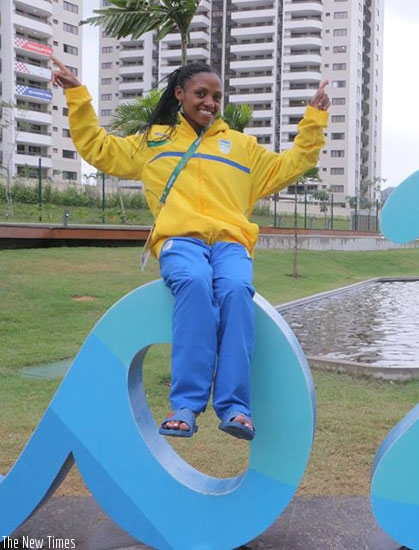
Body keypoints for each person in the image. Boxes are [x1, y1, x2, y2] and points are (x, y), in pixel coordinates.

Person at [52, 57, 330, 440]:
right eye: (201, 94)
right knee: (195, 283)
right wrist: (76, 95)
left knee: (235, 291)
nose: (210, 103)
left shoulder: (243, 147)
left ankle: (236, 407)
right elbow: (98, 148)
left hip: (231, 243)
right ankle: (185, 404)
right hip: (181, 240)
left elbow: (294, 164)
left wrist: (314, 119)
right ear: (180, 94)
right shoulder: (154, 142)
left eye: (217, 96)